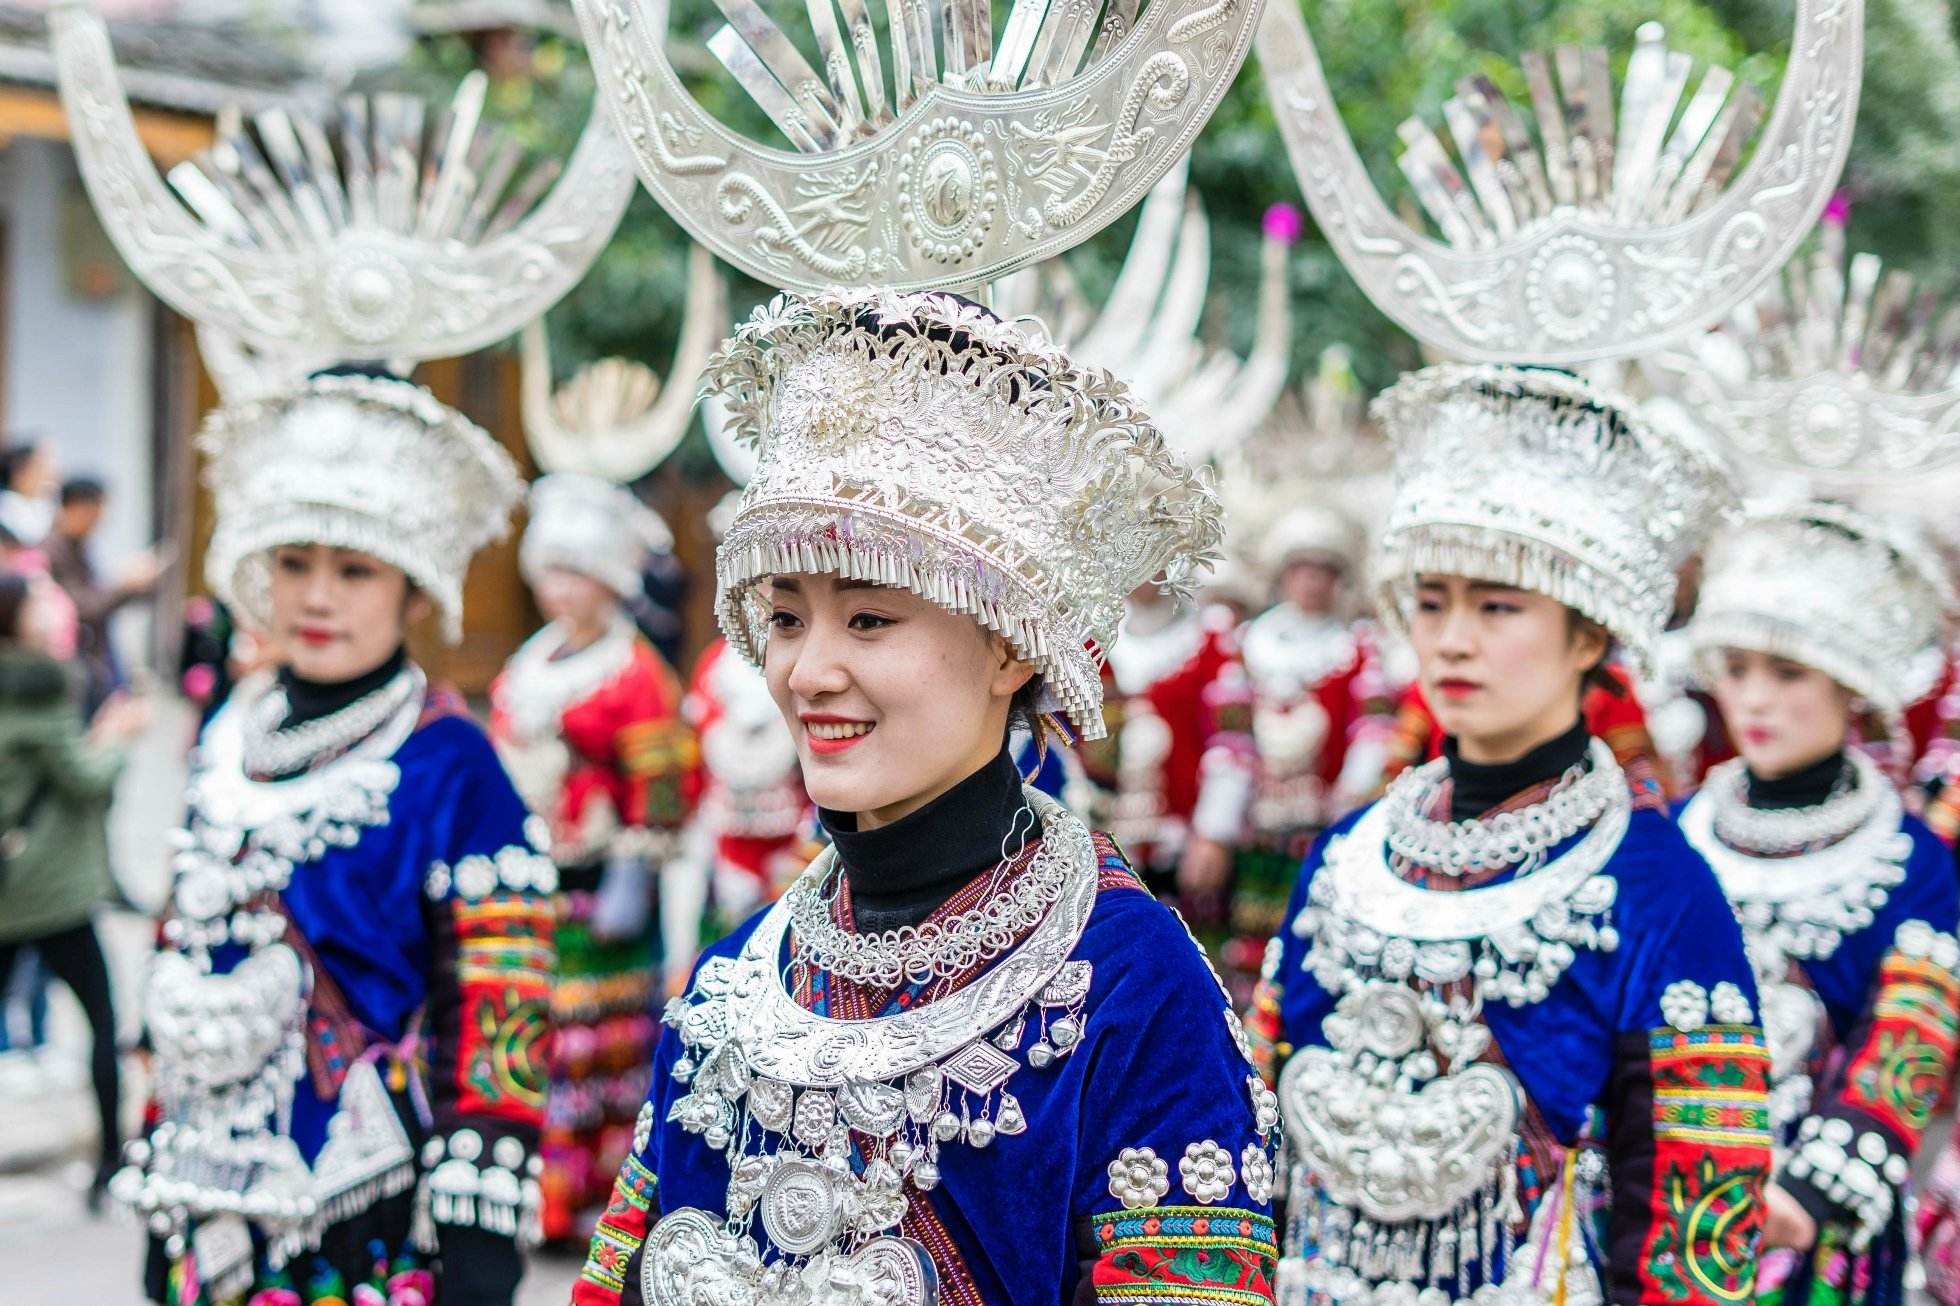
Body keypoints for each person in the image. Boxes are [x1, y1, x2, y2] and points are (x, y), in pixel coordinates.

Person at [573, 290, 1280, 1305]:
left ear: (1007, 644)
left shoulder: (1132, 985)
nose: (808, 671)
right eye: (784, 617)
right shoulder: (738, 980)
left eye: (867, 617)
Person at [1249, 365, 1772, 1306]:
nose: (1451, 640)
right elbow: (1258, 1113)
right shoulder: (1350, 855)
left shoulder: (1661, 889)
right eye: (1433, 600)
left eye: (1498, 605)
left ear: (1588, 637)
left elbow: (1700, 1210)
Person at [110, 374, 556, 1306]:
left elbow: (502, 999)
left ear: (413, 594)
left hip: (372, 1209)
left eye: (355, 570)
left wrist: (481, 1226)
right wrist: (158, 1137)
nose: (317, 595)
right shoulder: (231, 728)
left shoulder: (452, 760)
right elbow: (183, 935)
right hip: (209, 1188)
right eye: (294, 562)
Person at [1678, 502, 1960, 1306]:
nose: (1754, 700)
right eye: (1736, 669)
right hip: (1660, 1201)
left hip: (1817, 1228)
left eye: (1788, 672)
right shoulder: (1671, 834)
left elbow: (1913, 1031)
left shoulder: (1910, 857)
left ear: (1849, 686)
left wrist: (1809, 1197)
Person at [490, 472, 698, 1247]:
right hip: (535, 881)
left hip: (602, 887)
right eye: (549, 569)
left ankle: (591, 1198)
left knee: (598, 1046)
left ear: (608, 581)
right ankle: (535, 1192)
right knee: (535, 1035)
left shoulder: (636, 672)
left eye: (574, 572)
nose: (557, 588)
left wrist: (635, 872)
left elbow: (664, 782)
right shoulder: (529, 662)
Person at [1197, 507, 1395, 1002]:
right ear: (1283, 574)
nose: (1311, 582)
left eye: (1323, 570)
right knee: (1244, 947)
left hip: (1323, 828)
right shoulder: (1246, 647)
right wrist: (1215, 828)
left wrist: (1351, 801)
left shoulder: (1357, 649)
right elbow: (1231, 741)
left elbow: (1373, 732)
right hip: (1256, 831)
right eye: (1301, 568)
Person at [0, 569, 148, 1203]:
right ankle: (110, 1166)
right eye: (38, 600)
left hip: (11, 884)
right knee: (102, 1019)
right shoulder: (36, 684)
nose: (52, 608)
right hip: (51, 890)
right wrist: (117, 741)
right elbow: (83, 779)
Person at [43, 476, 163, 713]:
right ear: (76, 508)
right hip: (77, 663)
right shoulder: (53, 551)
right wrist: (125, 585)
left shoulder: (77, 547)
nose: (100, 521)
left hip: (94, 657)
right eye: (96, 512)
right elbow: (81, 608)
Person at [0, 439, 57, 546]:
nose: (46, 474)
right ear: (19, 473)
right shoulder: (7, 504)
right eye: (39, 467)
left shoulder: (44, 505)